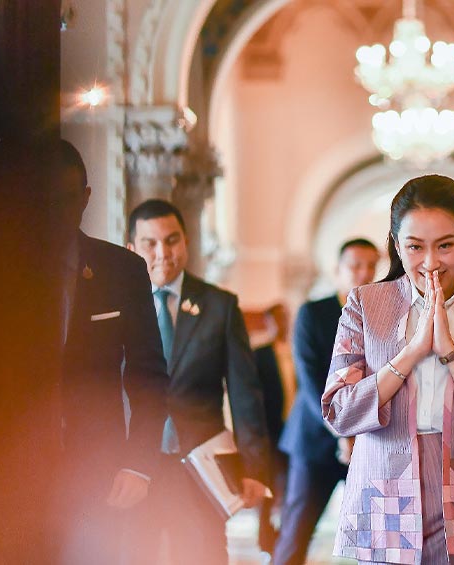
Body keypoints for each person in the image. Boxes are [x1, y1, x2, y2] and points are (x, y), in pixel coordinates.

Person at [321, 175, 454, 564]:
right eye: (415, 246)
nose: (431, 262)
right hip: (385, 486)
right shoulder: (363, 306)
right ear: (396, 245)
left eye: (445, 245)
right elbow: (339, 412)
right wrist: (413, 352)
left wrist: (451, 354)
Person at [125, 198, 270, 564]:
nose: (163, 253)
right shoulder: (120, 306)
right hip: (136, 465)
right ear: (132, 248)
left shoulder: (220, 306)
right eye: (150, 243)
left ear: (186, 241)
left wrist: (253, 468)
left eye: (172, 240)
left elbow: (245, 394)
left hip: (199, 466)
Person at [54, 140, 170, 563]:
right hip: (14, 462)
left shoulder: (122, 270)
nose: (53, 212)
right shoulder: (1, 269)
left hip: (98, 466)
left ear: (85, 197)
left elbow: (148, 375)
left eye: (66, 199)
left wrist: (138, 462)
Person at [274, 238, 380, 564]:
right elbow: (309, 383)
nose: (363, 273)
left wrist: (357, 433)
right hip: (315, 441)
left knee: (379, 534)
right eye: (355, 266)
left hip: (365, 442)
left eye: (370, 266)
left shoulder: (381, 316)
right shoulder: (313, 313)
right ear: (338, 270)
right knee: (296, 531)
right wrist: (340, 432)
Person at [254, 303, 289, 553]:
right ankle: (265, 539)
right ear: (268, 323)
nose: (280, 324)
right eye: (275, 320)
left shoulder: (296, 350)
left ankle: (286, 537)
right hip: (269, 431)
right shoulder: (260, 354)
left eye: (283, 318)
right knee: (267, 488)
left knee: (290, 487)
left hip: (293, 431)